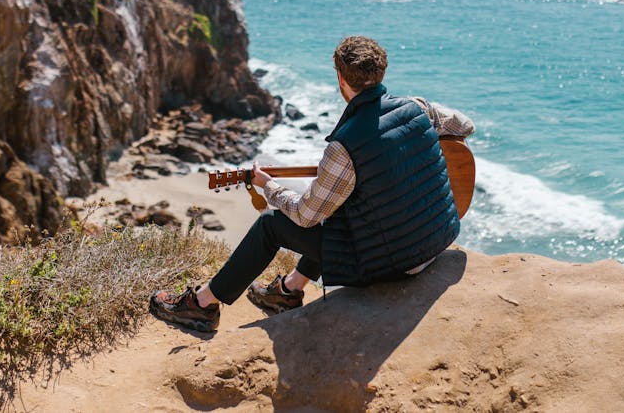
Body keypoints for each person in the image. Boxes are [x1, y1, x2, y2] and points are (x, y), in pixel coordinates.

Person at [150, 35, 474, 332]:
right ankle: (288, 290)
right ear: (381, 73)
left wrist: (268, 187)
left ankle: (201, 305)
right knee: (342, 203)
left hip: (396, 264)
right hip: (436, 240)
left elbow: (306, 215)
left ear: (341, 79)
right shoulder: (418, 107)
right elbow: (464, 125)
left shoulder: (344, 146)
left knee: (271, 224)